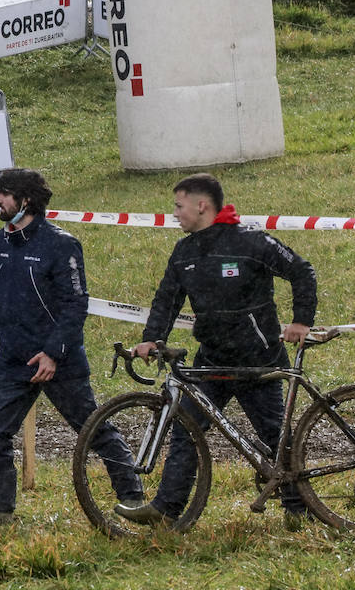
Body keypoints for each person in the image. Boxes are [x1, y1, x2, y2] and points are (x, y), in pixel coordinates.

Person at [117, 173, 317, 529]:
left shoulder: (251, 242)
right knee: (186, 430)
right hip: (210, 360)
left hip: (259, 358)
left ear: (201, 205)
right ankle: (166, 509)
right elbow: (167, 300)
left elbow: (302, 271)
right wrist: (150, 338)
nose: (174, 213)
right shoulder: (184, 251)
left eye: (179, 206)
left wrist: (301, 321)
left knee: (275, 435)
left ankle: (299, 508)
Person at [0, 168, 143, 524]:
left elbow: (76, 304)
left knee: (94, 429)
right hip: (14, 360)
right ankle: (0, 511)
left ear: (25, 200)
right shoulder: (1, 241)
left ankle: (133, 497)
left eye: (4, 194)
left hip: (61, 361)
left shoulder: (61, 244)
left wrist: (55, 352)